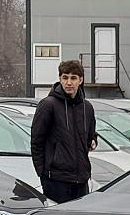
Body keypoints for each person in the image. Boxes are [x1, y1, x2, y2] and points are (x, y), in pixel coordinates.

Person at [31, 60, 97, 203]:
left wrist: (93, 141)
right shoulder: (48, 105)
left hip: (81, 179)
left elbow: (91, 135)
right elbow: (36, 141)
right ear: (60, 79)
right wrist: (42, 173)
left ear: (80, 80)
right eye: (65, 77)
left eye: (73, 78)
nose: (69, 82)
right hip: (56, 179)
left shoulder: (87, 107)